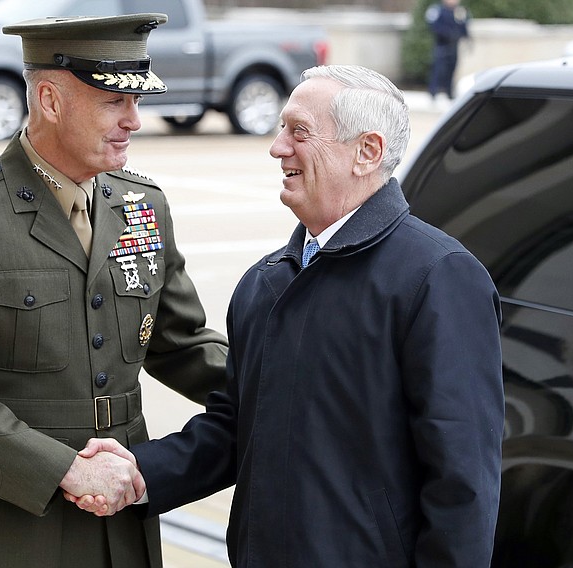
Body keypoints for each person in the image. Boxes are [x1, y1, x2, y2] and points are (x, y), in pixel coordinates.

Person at [71, 65, 505, 566]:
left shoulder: (438, 277)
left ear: (367, 152)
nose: (277, 147)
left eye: (299, 131)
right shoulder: (266, 282)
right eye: (281, 129)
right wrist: (140, 473)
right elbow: (236, 430)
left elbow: (463, 483)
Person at [0, 13, 228, 568]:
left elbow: (183, 345)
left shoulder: (142, 206)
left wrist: (285, 383)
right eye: (115, 102)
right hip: (9, 526)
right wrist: (66, 469)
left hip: (122, 523)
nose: (135, 121)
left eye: (136, 102)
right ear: (49, 99)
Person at [425, 0, 470, 99]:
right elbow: (434, 26)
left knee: (451, 69)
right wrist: (448, 34)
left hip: (453, 46)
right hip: (442, 46)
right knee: (438, 70)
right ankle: (433, 92)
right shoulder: (437, 10)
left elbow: (464, 27)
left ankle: (449, 92)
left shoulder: (459, 11)